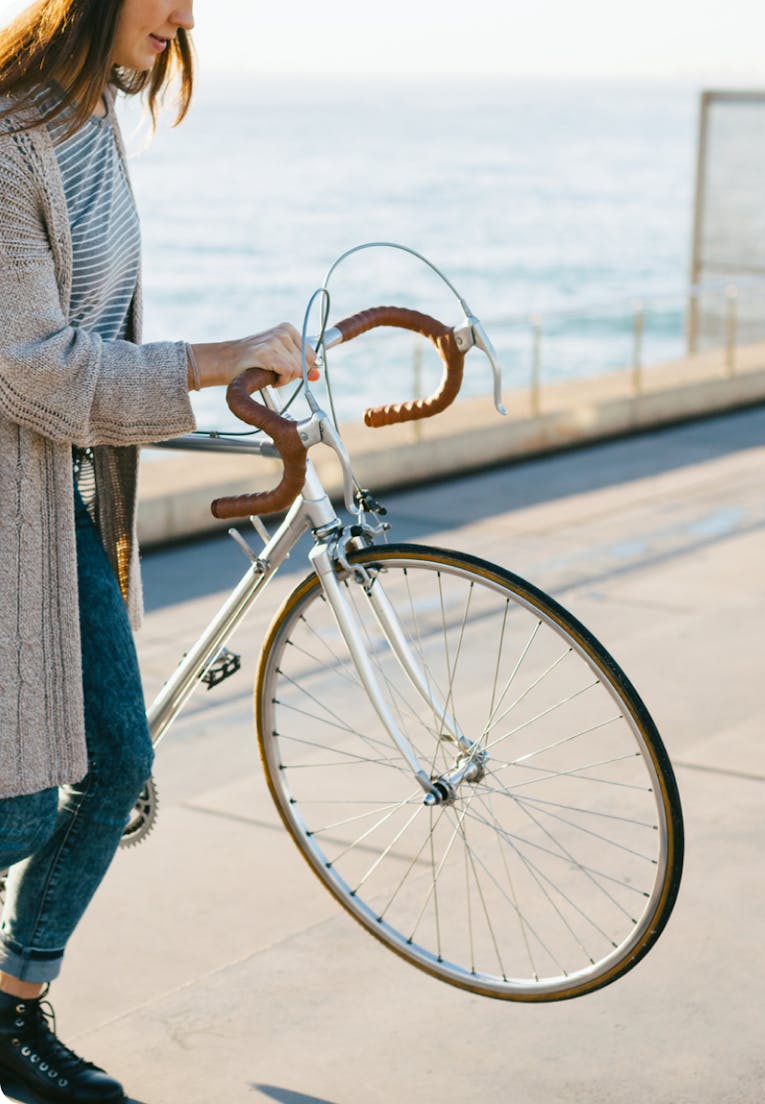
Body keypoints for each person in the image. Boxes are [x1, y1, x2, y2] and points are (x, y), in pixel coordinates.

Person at [0, 3, 315, 1101]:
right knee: (22, 804)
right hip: (8, 504)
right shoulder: (8, 138)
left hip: (67, 495)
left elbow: (94, 341)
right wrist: (212, 358)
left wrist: (207, 375)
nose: (184, 17)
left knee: (117, 766)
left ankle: (12, 1007)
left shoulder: (91, 122)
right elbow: (35, 366)